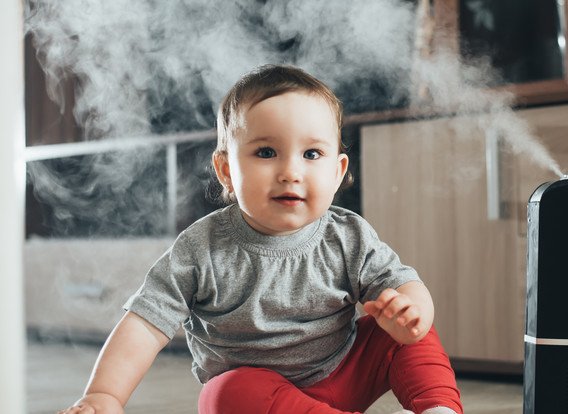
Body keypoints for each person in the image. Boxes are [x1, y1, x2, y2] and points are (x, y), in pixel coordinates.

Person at [58, 65, 463, 414]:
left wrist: (410, 313)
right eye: (266, 152)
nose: (291, 171)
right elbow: (144, 325)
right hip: (259, 399)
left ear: (338, 172)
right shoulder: (201, 248)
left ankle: (439, 408)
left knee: (408, 328)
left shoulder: (348, 234)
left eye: (311, 154)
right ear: (227, 171)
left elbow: (401, 281)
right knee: (224, 393)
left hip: (342, 375)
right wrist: (104, 394)